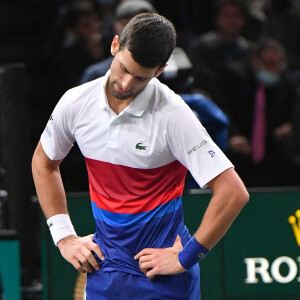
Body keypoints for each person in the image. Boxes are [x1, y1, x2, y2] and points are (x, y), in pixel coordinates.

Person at [32, 13, 249, 299]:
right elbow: (44, 163)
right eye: (123, 68)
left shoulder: (174, 115)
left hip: (162, 276)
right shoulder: (75, 102)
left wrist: (186, 258)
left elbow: (233, 192)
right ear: (114, 45)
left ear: (160, 70)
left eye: (140, 78)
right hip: (104, 271)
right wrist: (64, 237)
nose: (125, 84)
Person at [225, 39, 298, 187]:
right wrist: (233, 135)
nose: (273, 69)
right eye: (268, 63)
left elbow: (293, 118)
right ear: (255, 61)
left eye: (277, 65)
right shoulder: (235, 80)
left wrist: (289, 127)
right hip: (239, 150)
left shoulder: (286, 85)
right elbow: (224, 111)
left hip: (273, 153)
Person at [188, 0, 253, 110]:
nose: (232, 20)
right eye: (227, 15)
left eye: (236, 16)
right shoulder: (202, 47)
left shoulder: (249, 50)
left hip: (241, 108)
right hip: (210, 105)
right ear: (217, 19)